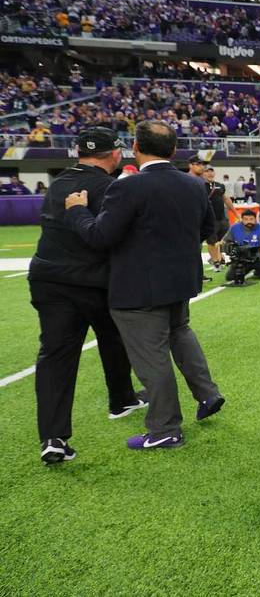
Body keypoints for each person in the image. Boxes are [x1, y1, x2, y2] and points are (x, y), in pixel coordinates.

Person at [65, 120, 226, 451]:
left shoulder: (128, 187)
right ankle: (208, 394)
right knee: (180, 333)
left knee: (151, 356)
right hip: (180, 279)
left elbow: (101, 236)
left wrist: (77, 212)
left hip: (139, 286)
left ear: (135, 148)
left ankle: (165, 428)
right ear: (175, 150)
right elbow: (206, 228)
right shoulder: (195, 185)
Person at [29, 128, 146, 464]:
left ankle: (53, 438)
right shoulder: (112, 187)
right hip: (93, 279)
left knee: (55, 354)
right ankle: (121, 399)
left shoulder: (59, 183)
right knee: (115, 334)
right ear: (114, 154)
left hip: (48, 277)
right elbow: (110, 237)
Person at [222, 209, 260, 282]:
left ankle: (257, 270)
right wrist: (226, 249)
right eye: (246, 219)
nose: (249, 221)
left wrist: (252, 253)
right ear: (242, 219)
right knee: (231, 277)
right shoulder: (234, 228)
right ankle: (246, 269)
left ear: (256, 219)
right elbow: (225, 241)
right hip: (242, 258)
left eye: (251, 219)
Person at [202, 166, 234, 273]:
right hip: (209, 219)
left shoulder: (220, 186)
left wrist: (236, 213)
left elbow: (226, 199)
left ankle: (219, 257)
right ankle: (216, 261)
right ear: (203, 173)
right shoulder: (199, 185)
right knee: (211, 241)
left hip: (222, 218)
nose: (210, 173)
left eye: (212, 171)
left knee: (222, 240)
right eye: (207, 171)